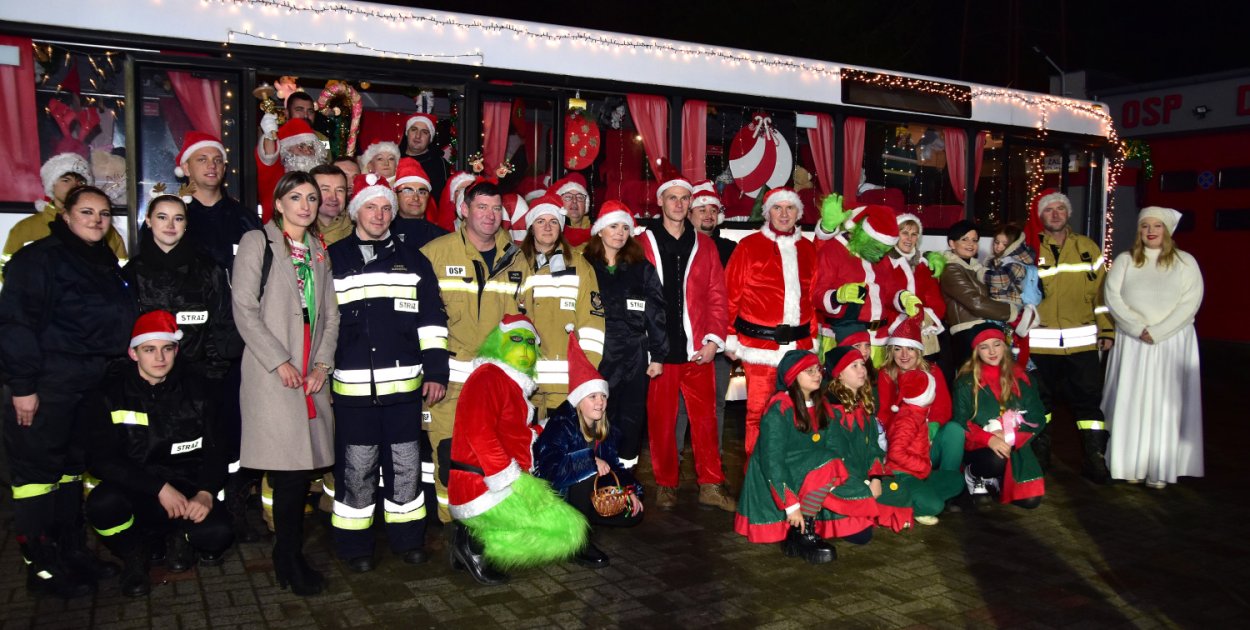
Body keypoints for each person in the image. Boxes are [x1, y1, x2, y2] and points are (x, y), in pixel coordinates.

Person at [0, 185, 136, 598]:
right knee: (37, 478)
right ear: (65, 215)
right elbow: (16, 325)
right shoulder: (39, 259)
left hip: (87, 384)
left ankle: (72, 554)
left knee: (70, 472)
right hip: (46, 385)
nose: (96, 220)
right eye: (87, 212)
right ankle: (42, 567)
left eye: (103, 213)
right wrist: (23, 387)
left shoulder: (103, 261)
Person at [327, 174, 449, 571]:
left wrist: (436, 371)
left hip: (404, 391)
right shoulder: (332, 258)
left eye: (385, 208)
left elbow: (432, 321)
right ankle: (355, 547)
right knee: (357, 470)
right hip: (351, 392)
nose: (379, 214)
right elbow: (320, 324)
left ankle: (408, 540)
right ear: (355, 211)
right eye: (370, 206)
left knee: (405, 467)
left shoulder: (414, 260)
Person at [231, 172, 340, 596]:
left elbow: (330, 315)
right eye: (296, 197)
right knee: (290, 473)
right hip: (273, 374)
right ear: (278, 203)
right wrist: (279, 361)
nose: (306, 205)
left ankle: (288, 554)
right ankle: (288, 557)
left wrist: (322, 366)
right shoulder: (258, 242)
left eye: (312, 198)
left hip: (310, 373)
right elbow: (243, 308)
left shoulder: (318, 249)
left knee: (300, 472)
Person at [121, 194, 248, 539]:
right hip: (149, 385)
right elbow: (124, 330)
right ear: (148, 222)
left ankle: (219, 510)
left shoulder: (207, 269)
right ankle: (158, 525)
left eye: (178, 218)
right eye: (162, 217)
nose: (170, 225)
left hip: (201, 380)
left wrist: (214, 371)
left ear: (187, 224)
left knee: (212, 447)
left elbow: (223, 323)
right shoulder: (132, 274)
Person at [85, 311, 233, 597]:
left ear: (176, 350)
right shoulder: (109, 394)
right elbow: (102, 460)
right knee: (102, 505)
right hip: (136, 488)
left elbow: (218, 448)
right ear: (133, 353)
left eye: (167, 348)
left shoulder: (200, 390)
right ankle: (133, 553)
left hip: (187, 487)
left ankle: (180, 538)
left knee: (217, 534)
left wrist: (205, 492)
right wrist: (158, 487)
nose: (160, 358)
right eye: (149, 350)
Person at [448, 316, 588, 585]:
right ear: (497, 343)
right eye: (515, 339)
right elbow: (479, 433)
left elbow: (514, 436)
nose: (524, 348)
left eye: (529, 342)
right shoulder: (488, 377)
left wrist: (549, 427)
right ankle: (477, 545)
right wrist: (515, 480)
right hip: (480, 486)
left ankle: (468, 537)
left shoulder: (509, 384)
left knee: (570, 527)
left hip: (492, 483)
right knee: (568, 530)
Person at [420, 180, 529, 522]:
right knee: (448, 455)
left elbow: (525, 320)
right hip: (449, 381)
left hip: (495, 384)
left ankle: (485, 523)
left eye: (496, 209)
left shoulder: (517, 258)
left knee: (492, 455)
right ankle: (450, 526)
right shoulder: (436, 253)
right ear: (464, 210)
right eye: (481, 207)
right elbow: (419, 318)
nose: (490, 215)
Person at [636, 173, 735, 512]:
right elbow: (634, 296)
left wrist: (713, 340)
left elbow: (716, 297)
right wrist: (645, 344)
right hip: (660, 353)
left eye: (683, 199)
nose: (678, 204)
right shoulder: (641, 244)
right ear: (661, 202)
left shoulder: (704, 246)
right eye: (672, 198)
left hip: (698, 352)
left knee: (705, 421)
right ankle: (666, 484)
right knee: (661, 423)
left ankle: (710, 483)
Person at [1102, 207, 1204, 488]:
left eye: (1157, 225)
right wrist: (1137, 328)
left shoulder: (1185, 262)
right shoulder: (1125, 261)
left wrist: (1158, 332)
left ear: (1167, 230)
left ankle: (1159, 467)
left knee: (1165, 404)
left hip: (1170, 343)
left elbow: (1190, 302)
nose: (1150, 231)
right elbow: (1113, 296)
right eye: (1145, 226)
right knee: (1131, 400)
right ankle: (1129, 464)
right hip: (1133, 344)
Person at [534, 331, 645, 569]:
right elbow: (549, 468)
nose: (600, 402)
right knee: (588, 471)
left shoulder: (604, 429)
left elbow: (613, 466)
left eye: (603, 396)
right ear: (578, 400)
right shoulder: (562, 424)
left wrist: (629, 491)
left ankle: (586, 519)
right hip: (555, 497)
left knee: (632, 513)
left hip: (584, 493)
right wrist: (589, 460)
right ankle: (577, 542)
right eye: (593, 396)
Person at [1025, 189, 1114, 483]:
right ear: (1041, 216)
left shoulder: (1088, 247)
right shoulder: (1029, 248)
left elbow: (1102, 295)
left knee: (1088, 404)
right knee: (1041, 404)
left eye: (1060, 209)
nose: (1055, 214)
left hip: (1083, 343)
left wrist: (1107, 329)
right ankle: (1040, 458)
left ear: (1068, 214)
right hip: (1040, 344)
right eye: (1048, 210)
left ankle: (1094, 460)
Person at [724, 188, 817, 456]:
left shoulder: (808, 249)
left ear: (798, 213)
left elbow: (811, 301)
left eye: (790, 208)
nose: (784, 214)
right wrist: (729, 337)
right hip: (759, 349)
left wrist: (812, 340)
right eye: (778, 208)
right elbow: (731, 295)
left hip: (799, 348)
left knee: (798, 411)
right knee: (758, 413)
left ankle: (791, 470)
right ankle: (758, 475)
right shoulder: (749, 247)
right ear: (768, 213)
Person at [733, 350, 842, 564]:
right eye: (808, 371)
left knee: (856, 516)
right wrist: (791, 505)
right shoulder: (779, 409)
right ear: (793, 377)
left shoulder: (822, 405)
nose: (817, 375)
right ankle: (801, 531)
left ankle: (805, 523)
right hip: (776, 478)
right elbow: (772, 461)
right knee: (829, 461)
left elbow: (834, 445)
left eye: (817, 369)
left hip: (803, 470)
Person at [581, 202, 667, 472]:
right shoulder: (584, 265)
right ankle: (592, 472)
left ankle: (625, 476)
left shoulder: (641, 268)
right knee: (595, 414)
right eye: (613, 226)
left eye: (625, 227)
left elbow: (656, 311)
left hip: (634, 354)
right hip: (597, 353)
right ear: (599, 231)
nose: (619, 233)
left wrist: (659, 354)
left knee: (631, 416)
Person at [515, 193, 606, 416]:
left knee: (565, 447)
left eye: (553, 221)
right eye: (541, 221)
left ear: (561, 227)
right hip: (524, 380)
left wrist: (586, 371)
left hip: (566, 383)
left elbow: (592, 323)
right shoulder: (514, 264)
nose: (547, 227)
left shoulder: (580, 265)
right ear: (531, 228)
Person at [817, 345, 913, 536]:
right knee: (862, 534)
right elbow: (835, 456)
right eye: (854, 366)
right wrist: (863, 483)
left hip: (864, 477)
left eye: (862, 364)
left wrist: (875, 477)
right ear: (839, 375)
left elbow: (873, 449)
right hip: (841, 481)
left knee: (900, 491)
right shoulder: (830, 411)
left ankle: (870, 511)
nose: (862, 370)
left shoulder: (863, 407)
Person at [813, 199, 920, 366]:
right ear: (864, 235)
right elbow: (816, 292)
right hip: (844, 338)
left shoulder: (881, 257)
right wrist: (837, 297)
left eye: (884, 251)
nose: (880, 255)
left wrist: (902, 298)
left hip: (879, 339)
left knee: (874, 389)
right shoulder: (833, 250)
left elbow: (889, 290)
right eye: (877, 248)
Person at [952, 323, 1045, 508]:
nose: (992, 351)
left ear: (1005, 346)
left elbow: (1037, 417)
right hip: (980, 447)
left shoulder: (1023, 378)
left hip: (1015, 446)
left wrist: (1013, 438)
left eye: (997, 344)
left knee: (1031, 502)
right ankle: (974, 474)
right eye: (984, 347)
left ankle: (997, 480)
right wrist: (989, 439)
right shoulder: (965, 382)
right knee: (996, 459)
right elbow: (960, 422)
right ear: (976, 351)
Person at [677, 180, 736, 454]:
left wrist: (731, 338)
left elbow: (735, 296)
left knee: (716, 403)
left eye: (713, 209)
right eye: (702, 210)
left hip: (720, 340)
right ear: (690, 214)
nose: (708, 215)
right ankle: (672, 465)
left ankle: (713, 459)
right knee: (679, 406)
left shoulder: (730, 249)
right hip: (684, 341)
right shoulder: (678, 246)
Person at [2, 152, 127, 279]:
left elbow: (121, 274)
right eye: (66, 180)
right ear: (52, 184)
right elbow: (7, 273)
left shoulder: (102, 229)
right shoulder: (25, 229)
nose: (74, 186)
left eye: (81, 182)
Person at [877, 317, 963, 474]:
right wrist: (903, 436)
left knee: (955, 430)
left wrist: (928, 432)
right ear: (891, 352)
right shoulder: (886, 374)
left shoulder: (933, 371)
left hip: (929, 439)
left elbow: (943, 410)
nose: (904, 355)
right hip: (901, 443)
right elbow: (884, 413)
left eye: (909, 349)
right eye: (897, 349)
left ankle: (948, 477)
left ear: (918, 351)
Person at [881, 368, 964, 525]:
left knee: (956, 480)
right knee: (936, 506)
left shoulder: (919, 412)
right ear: (925, 396)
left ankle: (918, 498)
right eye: (933, 390)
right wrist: (923, 465)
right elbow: (895, 453)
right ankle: (907, 508)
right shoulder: (907, 419)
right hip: (902, 474)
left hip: (919, 474)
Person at [939, 220, 1024, 371]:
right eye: (964, 239)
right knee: (972, 382)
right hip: (967, 333)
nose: (970, 244)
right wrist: (1011, 312)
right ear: (952, 244)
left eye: (974, 240)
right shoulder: (951, 269)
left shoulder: (977, 269)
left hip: (982, 330)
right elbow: (976, 303)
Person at [175, 132, 262, 275]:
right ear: (186, 168)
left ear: (224, 168)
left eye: (218, 160)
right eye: (202, 160)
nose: (212, 165)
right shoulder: (172, 217)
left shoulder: (246, 219)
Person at [886, 214, 945, 358]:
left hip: (922, 326)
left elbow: (934, 298)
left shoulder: (923, 264)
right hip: (892, 327)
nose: (909, 239)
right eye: (904, 233)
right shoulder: (885, 262)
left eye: (914, 234)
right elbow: (884, 296)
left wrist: (924, 319)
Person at [984, 222, 1043, 365]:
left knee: (1008, 348)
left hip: (1010, 309)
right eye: (996, 242)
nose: (998, 246)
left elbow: (1000, 280)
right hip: (1000, 309)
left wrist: (981, 273)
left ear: (1014, 245)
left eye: (1004, 244)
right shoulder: (998, 260)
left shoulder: (1017, 264)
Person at [257, 118, 330, 224]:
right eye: (301, 146)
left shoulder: (323, 178)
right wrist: (270, 134)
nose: (307, 151)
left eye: (311, 147)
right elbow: (269, 158)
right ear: (287, 150)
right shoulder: (277, 175)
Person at [390, 157, 448, 249]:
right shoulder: (383, 235)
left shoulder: (443, 238)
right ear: (396, 195)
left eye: (421, 192)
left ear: (428, 197)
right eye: (408, 191)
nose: (416, 198)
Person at [399, 112, 451, 203]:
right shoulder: (393, 159)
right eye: (414, 130)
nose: (418, 136)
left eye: (424, 132)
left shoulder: (440, 164)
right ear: (407, 133)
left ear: (430, 138)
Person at [309, 164, 353, 245]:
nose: (334, 197)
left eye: (339, 190)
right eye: (325, 189)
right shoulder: (298, 229)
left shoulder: (358, 228)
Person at [550, 174, 592, 248]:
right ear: (560, 203)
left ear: (585, 205)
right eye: (568, 197)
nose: (574, 201)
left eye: (579, 197)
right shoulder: (549, 234)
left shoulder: (598, 236)